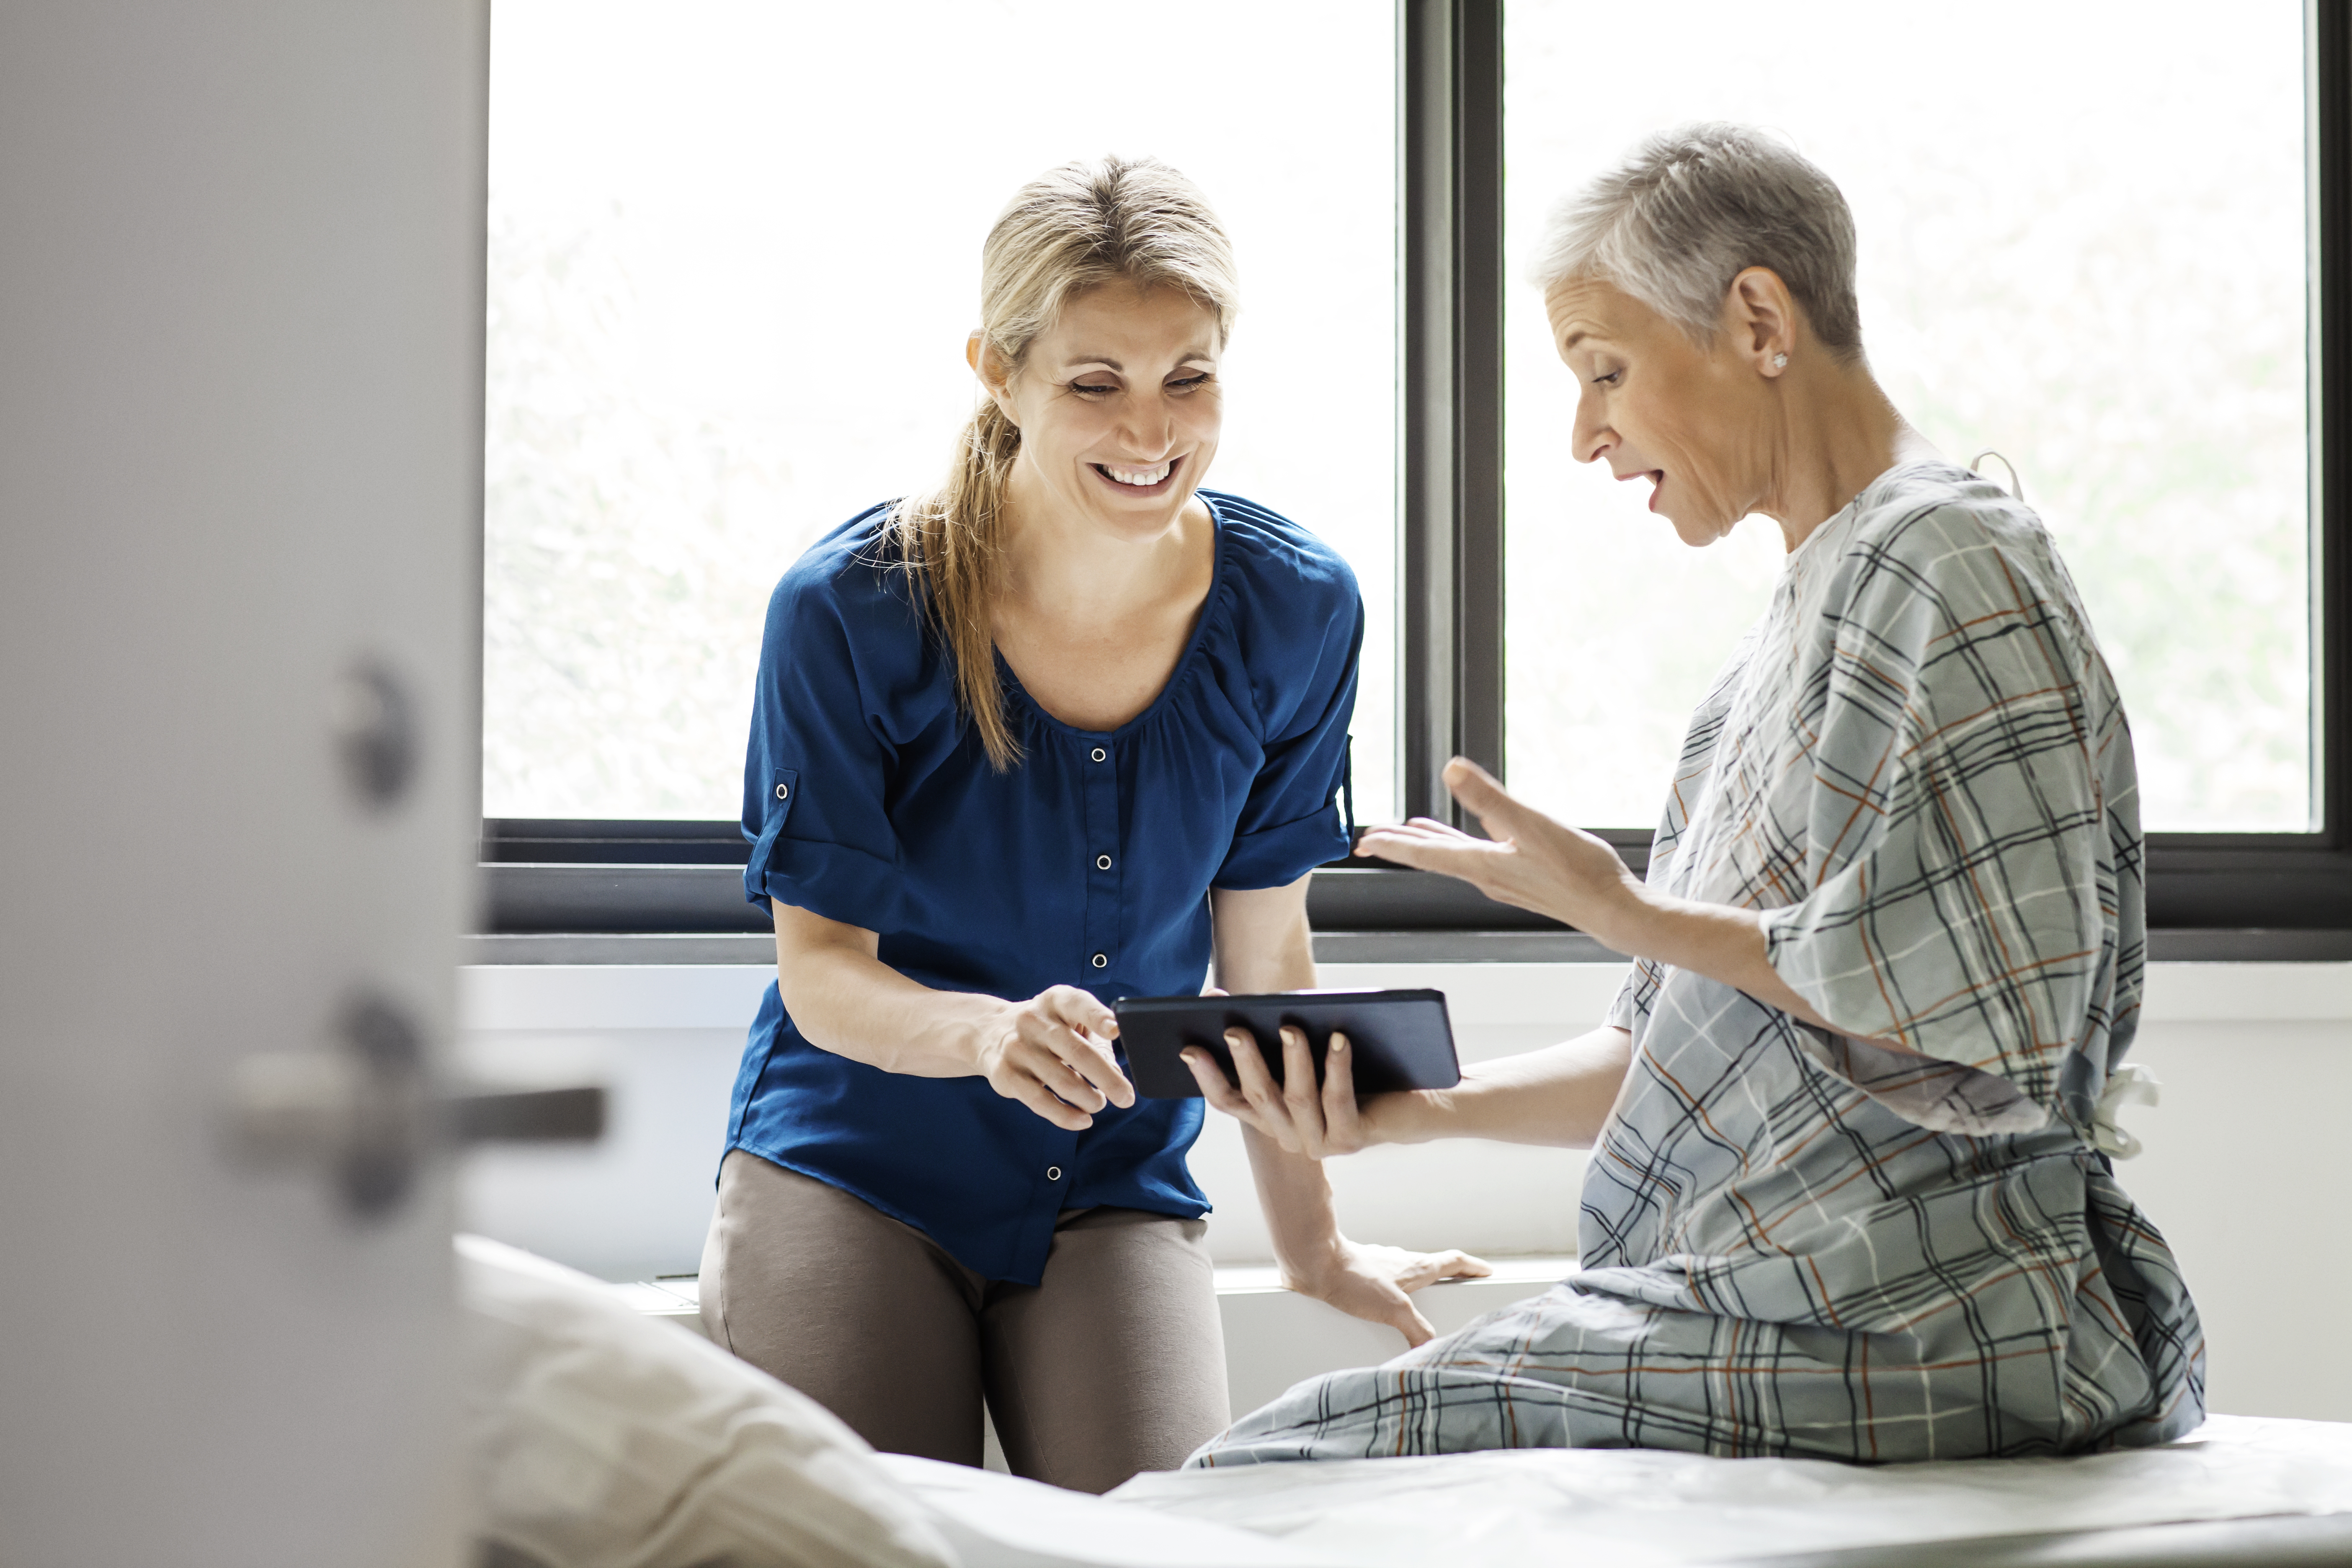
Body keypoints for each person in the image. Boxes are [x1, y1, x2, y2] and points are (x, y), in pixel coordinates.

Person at [1182, 124, 2205, 1465]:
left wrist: (1621, 910)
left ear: (1760, 319)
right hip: (1756, 1303)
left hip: (1924, 1319)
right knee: (1267, 1469)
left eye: (1604, 370)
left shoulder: (1950, 560)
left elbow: (1991, 1020)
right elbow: (1667, 1056)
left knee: (1278, 1473)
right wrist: (1412, 1115)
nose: (1583, 435)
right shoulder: (1767, 659)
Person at [698, 155, 1486, 1496]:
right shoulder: (848, 611)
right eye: (1094, 382)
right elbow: (821, 974)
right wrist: (989, 1035)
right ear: (997, 374)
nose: (1151, 428)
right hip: (855, 1164)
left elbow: (1265, 963)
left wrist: (1313, 1251)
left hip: (1113, 1179)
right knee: (880, 1537)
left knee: (1152, 1539)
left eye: (1191, 375)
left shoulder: (1298, 609)